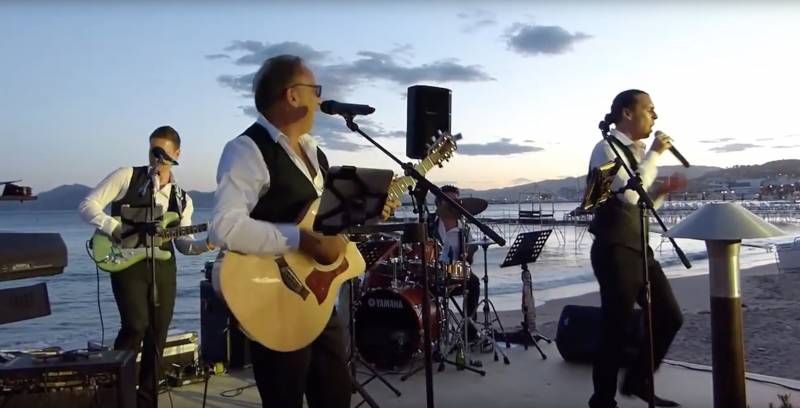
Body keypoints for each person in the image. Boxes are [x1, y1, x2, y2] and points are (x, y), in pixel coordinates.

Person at [209, 54, 398, 408]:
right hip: (274, 301)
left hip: (318, 301)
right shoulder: (247, 150)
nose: (319, 100)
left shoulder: (316, 154)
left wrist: (370, 213)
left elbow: (327, 224)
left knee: (336, 397)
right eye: (315, 90)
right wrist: (302, 239)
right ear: (292, 95)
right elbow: (225, 227)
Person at [79, 125, 213, 407]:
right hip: (126, 263)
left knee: (157, 336)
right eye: (153, 152)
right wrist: (113, 227)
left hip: (163, 268)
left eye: (163, 154)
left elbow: (184, 243)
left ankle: (147, 401)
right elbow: (88, 205)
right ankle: (118, 394)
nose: (157, 159)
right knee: (136, 325)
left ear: (176, 154)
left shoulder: (182, 198)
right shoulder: (127, 176)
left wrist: (207, 244)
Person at [587, 89, 686, 408]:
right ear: (628, 113)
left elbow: (641, 202)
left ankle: (638, 380)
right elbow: (626, 196)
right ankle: (602, 400)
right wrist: (655, 155)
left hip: (639, 248)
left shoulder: (637, 153)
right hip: (614, 249)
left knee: (669, 316)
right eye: (650, 109)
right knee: (614, 326)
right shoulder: (605, 148)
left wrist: (662, 191)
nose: (655, 117)